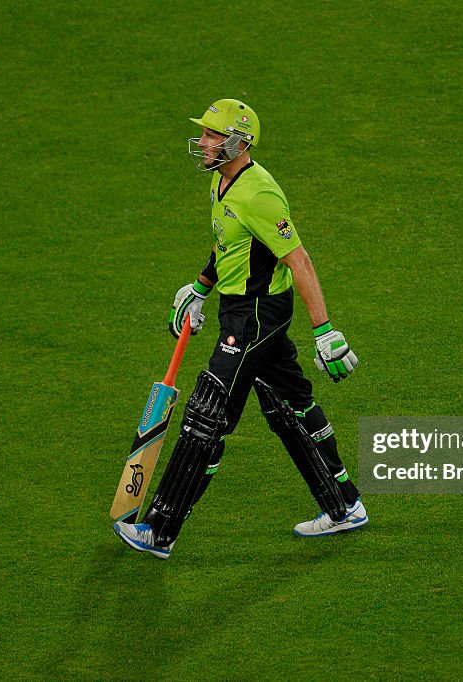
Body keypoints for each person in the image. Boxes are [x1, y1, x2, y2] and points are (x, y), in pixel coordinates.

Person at [113, 99, 367, 559]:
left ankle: (158, 530)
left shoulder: (259, 194)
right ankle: (344, 505)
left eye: (213, 135)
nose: (204, 142)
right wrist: (200, 288)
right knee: (290, 404)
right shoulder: (219, 180)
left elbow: (299, 259)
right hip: (238, 310)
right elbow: (226, 245)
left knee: (207, 413)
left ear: (238, 142)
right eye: (204, 134)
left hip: (255, 315)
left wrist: (324, 329)